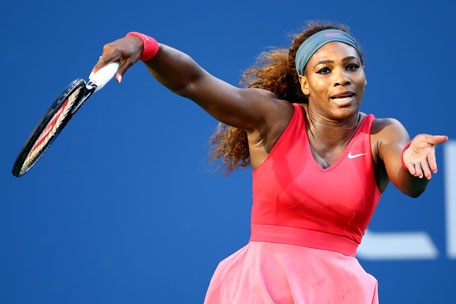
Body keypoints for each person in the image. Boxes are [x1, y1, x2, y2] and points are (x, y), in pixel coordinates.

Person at [91, 22, 448, 303]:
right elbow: (194, 82)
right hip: (258, 287)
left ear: (364, 76)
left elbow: (410, 184)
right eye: (325, 70)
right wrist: (145, 46)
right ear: (305, 84)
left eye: (351, 66)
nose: (341, 78)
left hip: (339, 292)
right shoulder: (273, 118)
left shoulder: (384, 133)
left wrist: (414, 162)